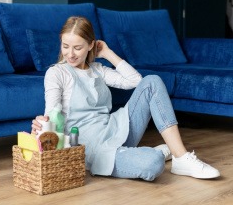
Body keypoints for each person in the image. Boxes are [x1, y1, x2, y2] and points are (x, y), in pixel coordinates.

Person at [31, 16, 220, 181]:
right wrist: (43, 126)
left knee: (152, 81)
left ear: (90, 45)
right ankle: (152, 153)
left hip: (115, 128)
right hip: (92, 147)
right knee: (152, 164)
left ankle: (181, 157)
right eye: (65, 46)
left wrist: (106, 53)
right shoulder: (57, 73)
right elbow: (52, 112)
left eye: (78, 47)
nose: (70, 54)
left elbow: (136, 81)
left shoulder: (98, 69)